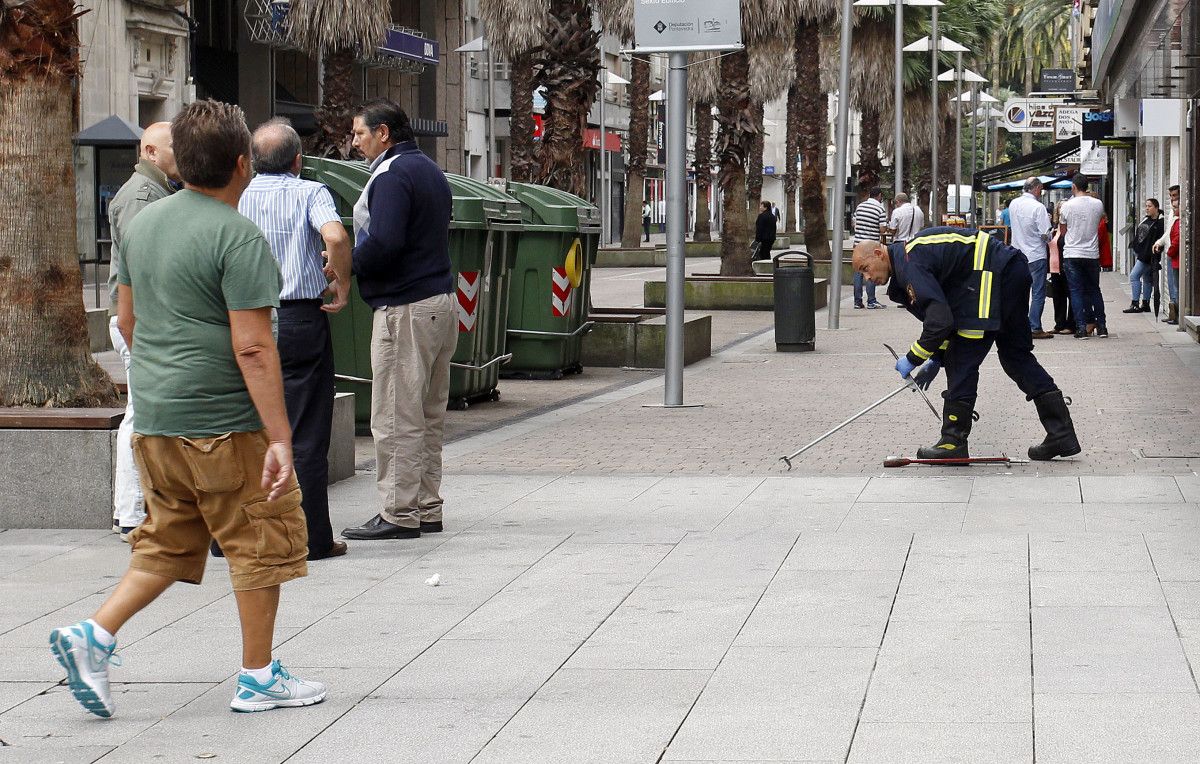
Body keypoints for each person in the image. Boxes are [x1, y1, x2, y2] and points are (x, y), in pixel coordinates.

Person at [50, 100, 324, 719]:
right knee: (260, 541)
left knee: (168, 544)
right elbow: (253, 345)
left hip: (154, 419)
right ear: (240, 164)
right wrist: (280, 437)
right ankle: (258, 677)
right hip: (223, 421)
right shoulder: (238, 235)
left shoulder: (141, 226)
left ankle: (92, 636)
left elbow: (126, 319)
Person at [852, 230, 1081, 462]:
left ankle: (953, 441)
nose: (867, 278)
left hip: (992, 276)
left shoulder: (911, 262)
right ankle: (1061, 433)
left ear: (880, 254)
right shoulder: (911, 258)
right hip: (1008, 271)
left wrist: (913, 358)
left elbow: (940, 321)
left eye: (865, 269)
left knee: (961, 357)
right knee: (1016, 357)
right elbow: (946, 314)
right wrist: (936, 357)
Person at [341, 99, 457, 541]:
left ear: (383, 133)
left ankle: (398, 512)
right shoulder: (430, 170)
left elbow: (385, 242)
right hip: (440, 303)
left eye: (359, 134)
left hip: (405, 309)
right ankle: (427, 506)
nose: (355, 143)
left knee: (394, 415)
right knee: (428, 414)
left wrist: (344, 264)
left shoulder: (390, 176)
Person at [238, 118, 352, 561]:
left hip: (247, 318)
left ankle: (228, 535)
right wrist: (341, 281)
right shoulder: (310, 191)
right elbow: (336, 235)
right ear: (298, 161)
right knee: (306, 429)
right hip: (300, 317)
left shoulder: (239, 195)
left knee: (245, 426)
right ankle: (312, 538)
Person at [105, 122, 179, 541]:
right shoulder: (142, 195)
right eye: (174, 147)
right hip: (140, 320)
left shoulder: (155, 190)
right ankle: (132, 511)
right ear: (151, 151)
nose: (180, 154)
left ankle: (136, 509)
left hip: (144, 319)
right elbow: (140, 269)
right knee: (140, 414)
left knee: (144, 412)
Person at [1058, 175, 1108, 339]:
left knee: (1076, 291)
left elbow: (1063, 231)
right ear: (1087, 186)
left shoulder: (1066, 206)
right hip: (1091, 253)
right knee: (1095, 290)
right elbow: (1098, 222)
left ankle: (1081, 328)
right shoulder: (1098, 204)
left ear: (1073, 187)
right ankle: (1102, 327)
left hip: (1072, 253)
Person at [1007, 178, 1054, 339]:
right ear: (1035, 188)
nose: (1041, 192)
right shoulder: (1038, 207)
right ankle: (1034, 326)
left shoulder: (1013, 204)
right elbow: (1045, 234)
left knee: (1020, 292)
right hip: (1035, 254)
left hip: (1017, 254)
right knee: (1038, 292)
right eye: (1040, 189)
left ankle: (1017, 325)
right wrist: (1050, 233)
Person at [1122, 198, 1164, 314]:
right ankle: (1145, 304)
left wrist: (1153, 254)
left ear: (1156, 207)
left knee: (1134, 276)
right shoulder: (1146, 219)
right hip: (1141, 253)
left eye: (1149, 206)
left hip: (1148, 256)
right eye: (1146, 206)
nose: (1147, 208)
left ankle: (1135, 303)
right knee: (1146, 279)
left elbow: (1160, 240)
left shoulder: (1160, 223)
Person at [851, 187, 888, 309]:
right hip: (871, 246)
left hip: (858, 244)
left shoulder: (860, 206)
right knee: (872, 271)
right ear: (879, 195)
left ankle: (857, 301)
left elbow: (854, 223)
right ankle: (871, 301)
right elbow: (882, 229)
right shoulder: (880, 208)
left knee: (859, 272)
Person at [1154, 185, 1181, 324]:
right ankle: (1173, 314)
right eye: (1170, 196)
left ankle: (1177, 316)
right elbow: (1168, 232)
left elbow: (1177, 234)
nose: (1172, 199)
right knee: (1171, 284)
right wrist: (1160, 242)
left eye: (1175, 195)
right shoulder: (1172, 212)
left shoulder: (1180, 212)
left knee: (1176, 285)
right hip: (1171, 252)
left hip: (1175, 253)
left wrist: (1170, 249)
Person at [1047, 201, 1073, 335]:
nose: (1062, 209)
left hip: (1067, 266)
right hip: (1054, 266)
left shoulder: (1070, 227)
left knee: (1070, 294)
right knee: (1058, 296)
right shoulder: (1054, 226)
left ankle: (1070, 325)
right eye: (1060, 207)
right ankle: (1059, 324)